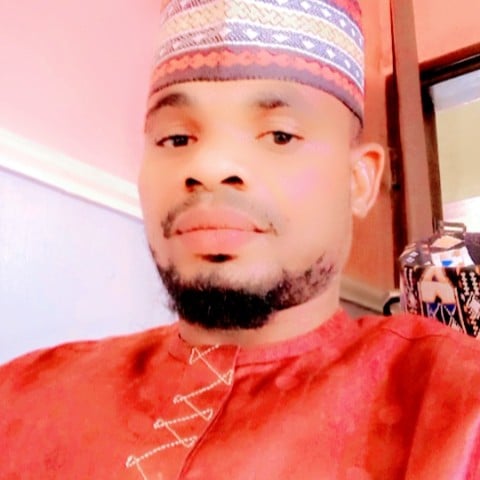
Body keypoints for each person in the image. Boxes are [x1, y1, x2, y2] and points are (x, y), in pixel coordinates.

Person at [1, 0, 479, 478]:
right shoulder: (21, 394)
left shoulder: (456, 411)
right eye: (177, 139)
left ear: (359, 181)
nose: (209, 167)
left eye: (279, 135)